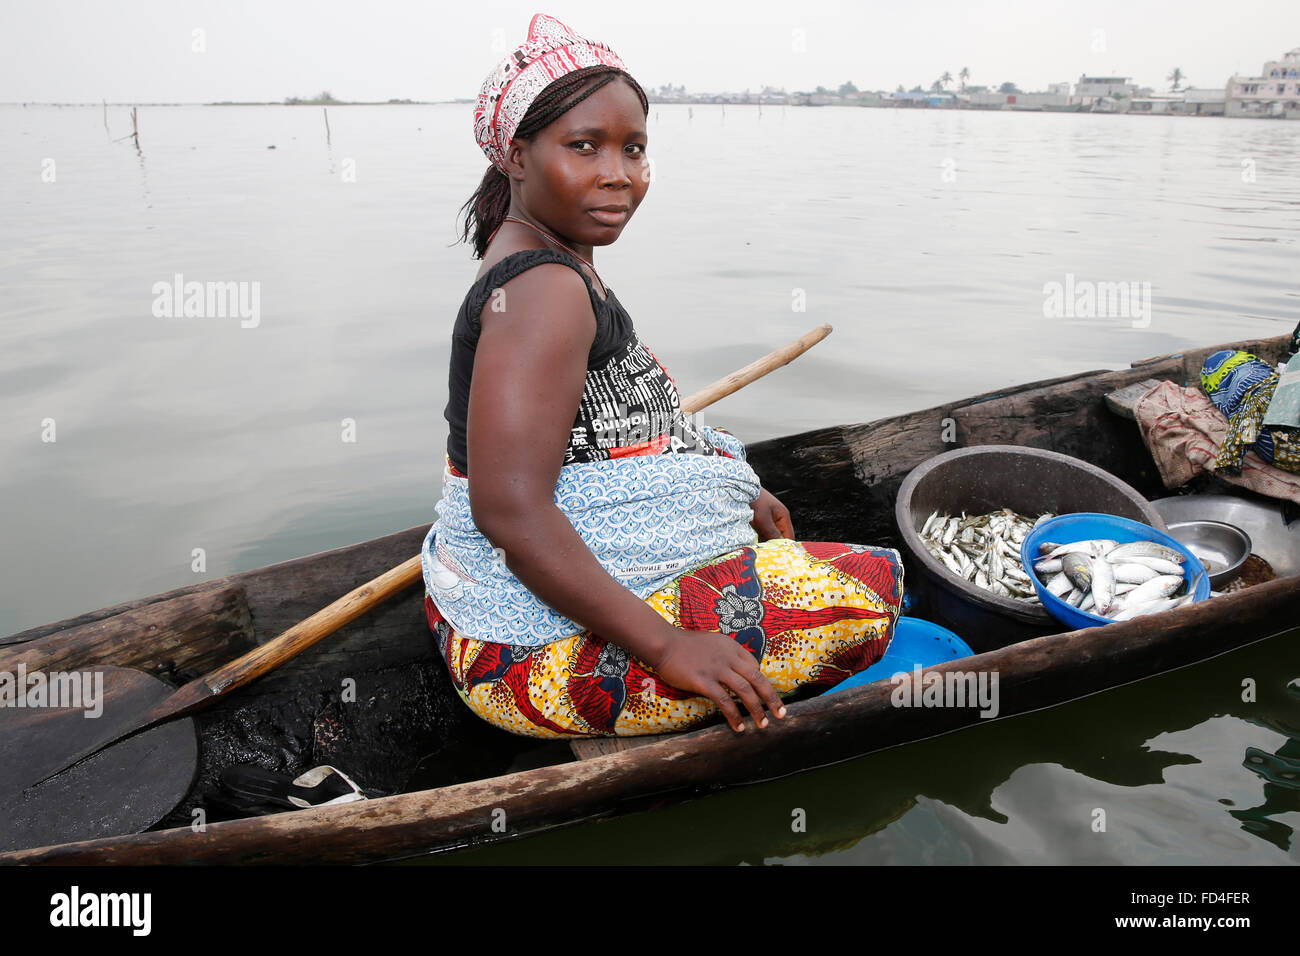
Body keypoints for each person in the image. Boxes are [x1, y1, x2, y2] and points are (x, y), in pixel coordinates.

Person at [422, 13, 903, 739]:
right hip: (513, 656)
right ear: (518, 157)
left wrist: (732, 484)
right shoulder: (543, 291)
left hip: (478, 601)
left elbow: (604, 437)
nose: (617, 174)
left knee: (775, 541)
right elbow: (510, 512)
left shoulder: (549, 258)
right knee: (870, 592)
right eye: (584, 147)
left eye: (633, 149)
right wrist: (668, 645)